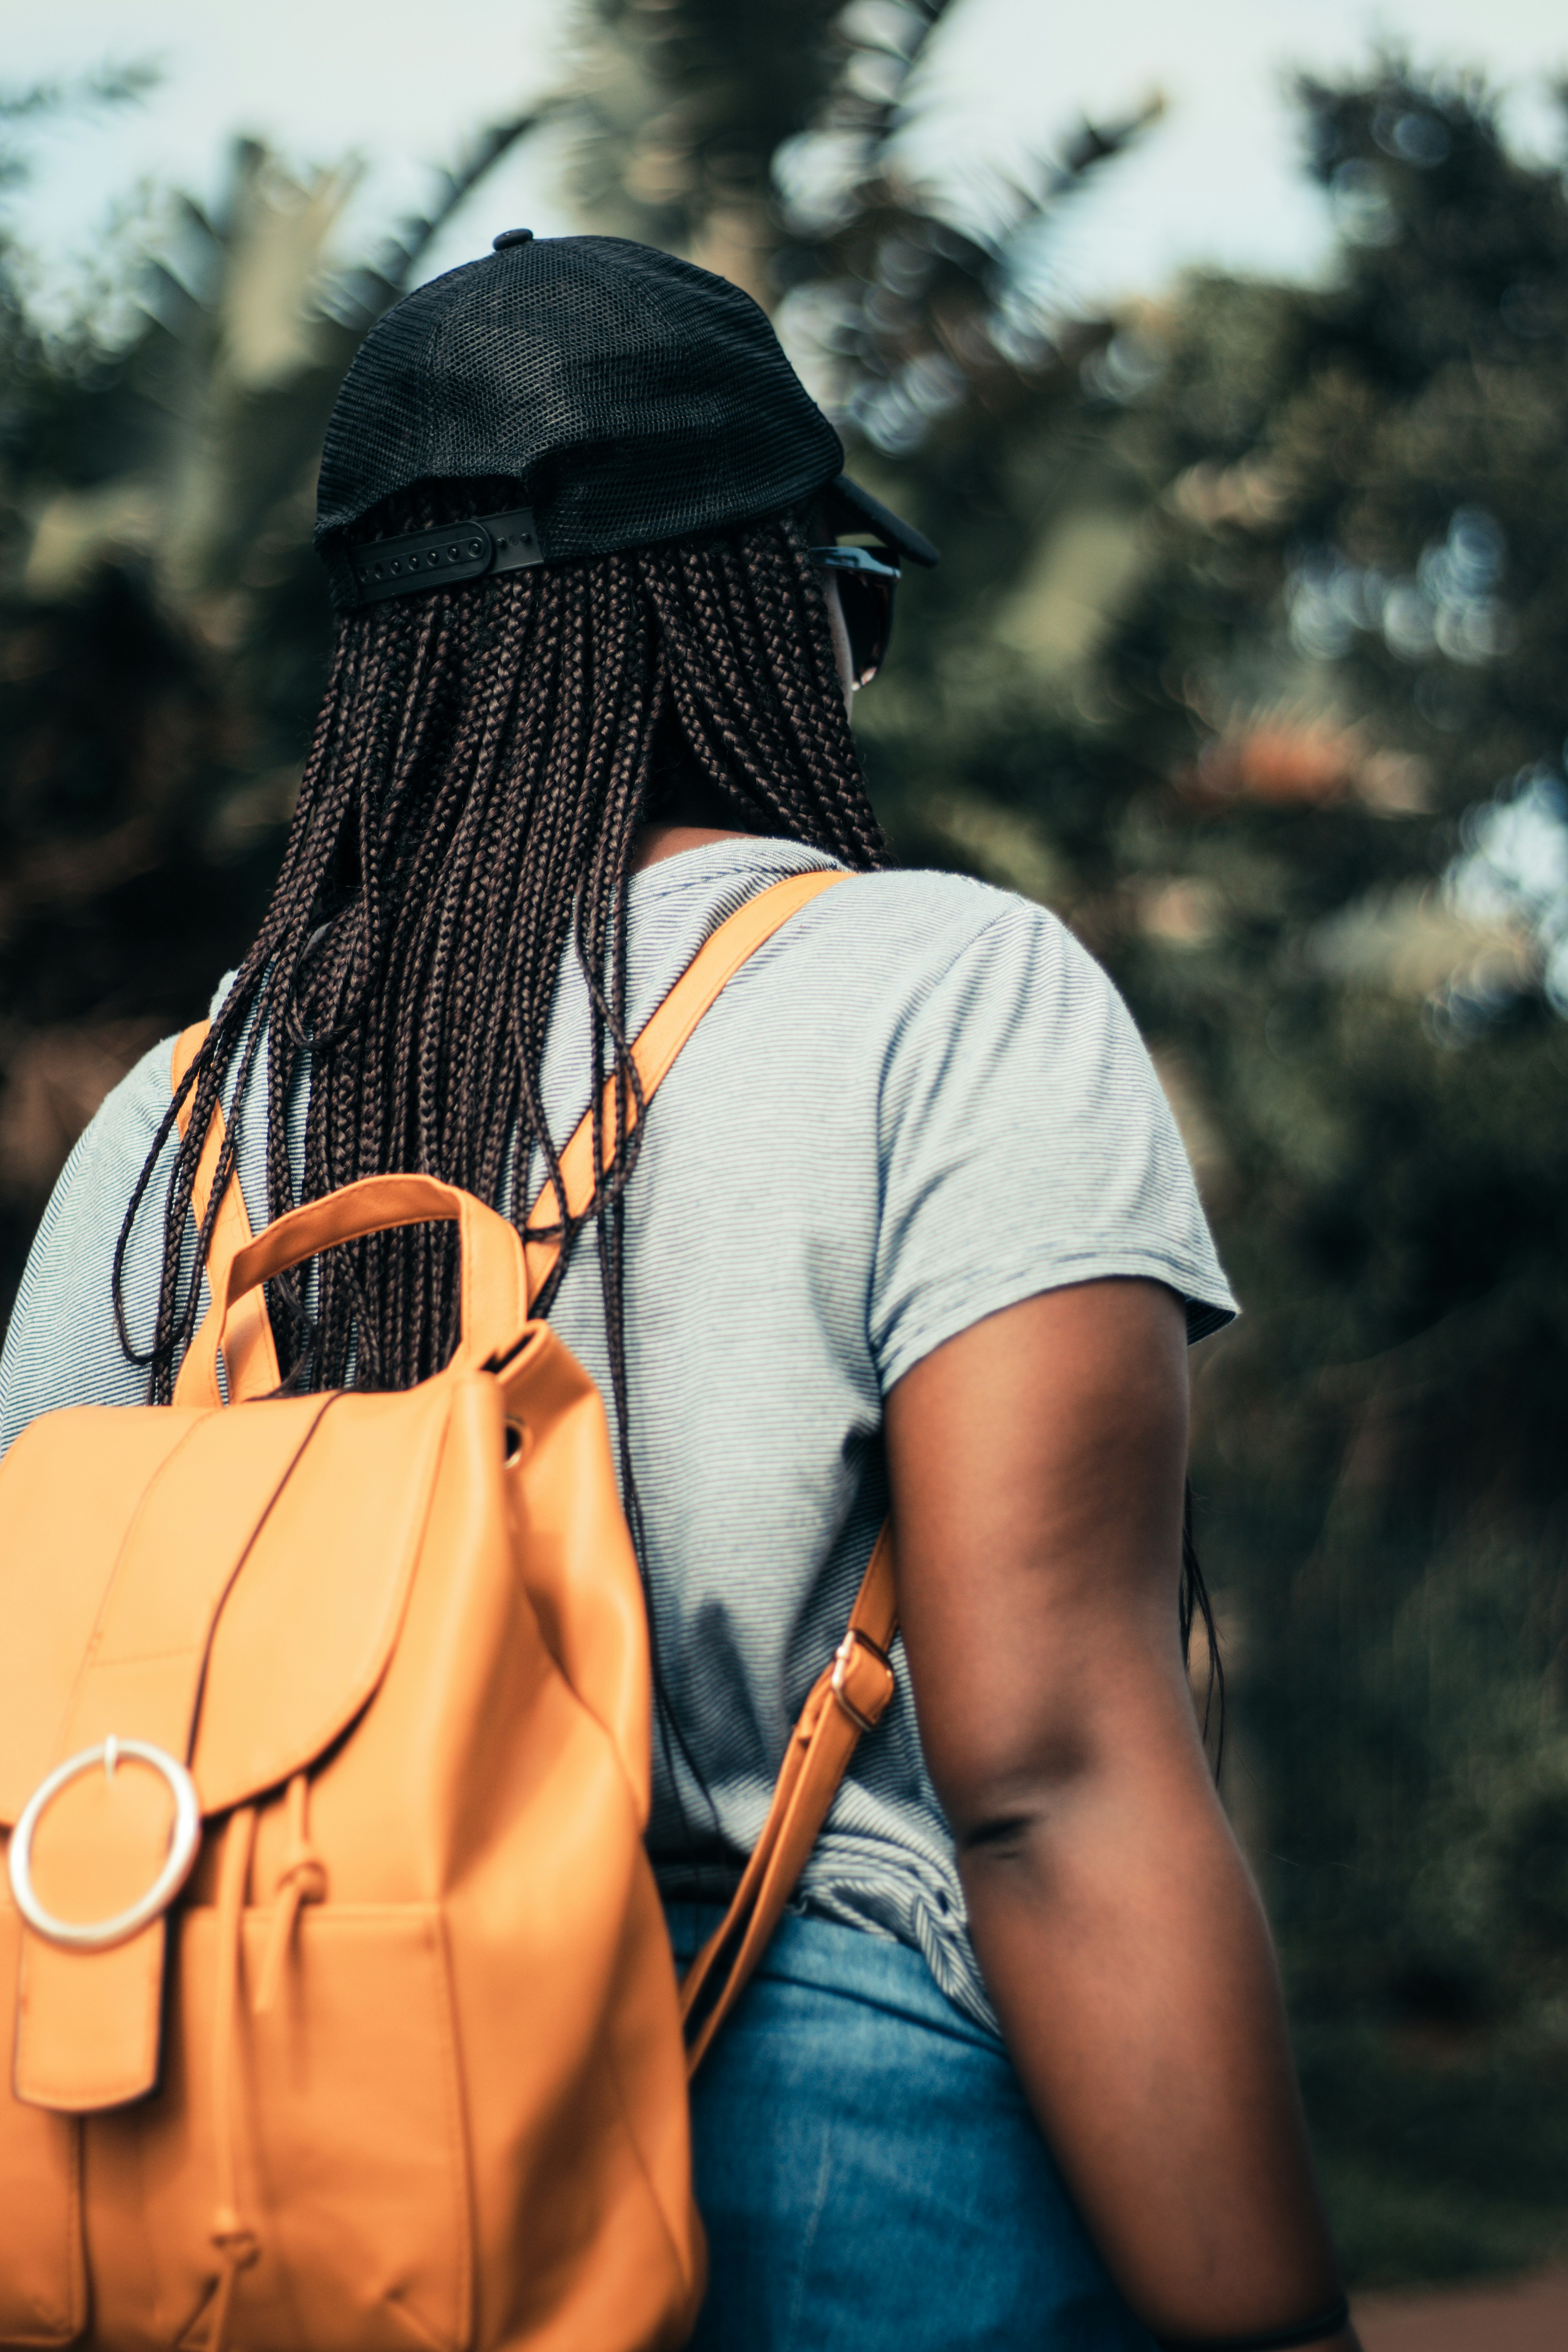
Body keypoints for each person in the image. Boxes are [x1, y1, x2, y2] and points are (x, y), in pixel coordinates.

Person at [0, 232, 1361, 2352]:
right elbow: (1053, 1768)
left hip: (251, 2167)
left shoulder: (171, 1130)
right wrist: (1278, 2326)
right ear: (777, 620)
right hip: (817, 2140)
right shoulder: (944, 995)